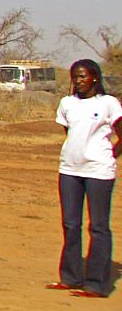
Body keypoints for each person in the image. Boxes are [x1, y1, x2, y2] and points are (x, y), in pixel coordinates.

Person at [46, 59, 121, 298]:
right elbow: (71, 133)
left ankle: (96, 284)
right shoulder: (67, 103)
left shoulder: (108, 103)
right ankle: (70, 277)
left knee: (98, 227)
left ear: (94, 77)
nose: (78, 81)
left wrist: (109, 155)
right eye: (75, 77)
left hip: (98, 172)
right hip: (69, 171)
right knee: (70, 224)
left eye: (82, 76)